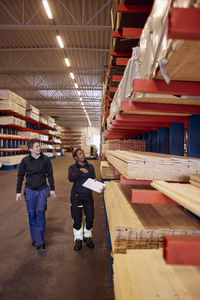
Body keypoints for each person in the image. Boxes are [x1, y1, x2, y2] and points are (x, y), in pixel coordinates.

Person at [16, 138, 56, 250]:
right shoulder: (25, 161)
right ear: (30, 149)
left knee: (40, 214)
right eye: (37, 146)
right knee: (31, 215)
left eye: (39, 146)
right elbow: (20, 177)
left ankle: (40, 241)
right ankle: (35, 237)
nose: (39, 148)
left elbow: (50, 175)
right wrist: (18, 191)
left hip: (42, 190)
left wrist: (52, 189)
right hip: (29, 191)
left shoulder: (46, 160)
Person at [68, 148, 96, 251]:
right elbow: (71, 178)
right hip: (76, 197)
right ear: (75, 157)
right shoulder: (72, 168)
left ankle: (87, 237)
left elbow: (93, 177)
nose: (83, 155)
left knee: (90, 218)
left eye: (83, 153)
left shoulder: (91, 166)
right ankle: (78, 239)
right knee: (77, 219)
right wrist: (79, 171)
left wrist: (95, 182)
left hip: (88, 196)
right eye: (80, 154)